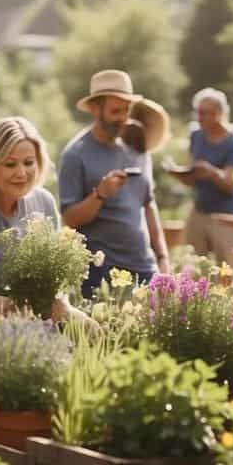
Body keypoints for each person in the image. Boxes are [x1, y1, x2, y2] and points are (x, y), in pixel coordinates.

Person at [0, 116, 85, 339]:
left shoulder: (44, 201)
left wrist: (65, 307)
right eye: (10, 164)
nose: (21, 173)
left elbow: (55, 282)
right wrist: (32, 308)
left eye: (29, 162)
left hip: (34, 323)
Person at [58, 70, 170, 298]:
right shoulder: (76, 154)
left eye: (126, 110)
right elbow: (69, 219)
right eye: (115, 111)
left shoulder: (137, 146)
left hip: (144, 268)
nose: (123, 117)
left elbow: (149, 205)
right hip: (101, 275)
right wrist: (99, 194)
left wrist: (163, 259)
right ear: (94, 109)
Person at [175, 87, 233, 261]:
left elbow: (230, 184)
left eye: (204, 113)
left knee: (225, 271)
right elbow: (192, 172)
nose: (199, 117)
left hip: (224, 215)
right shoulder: (196, 136)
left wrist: (211, 173)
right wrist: (183, 175)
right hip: (200, 210)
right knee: (194, 267)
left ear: (219, 113)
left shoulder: (232, 142)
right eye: (198, 112)